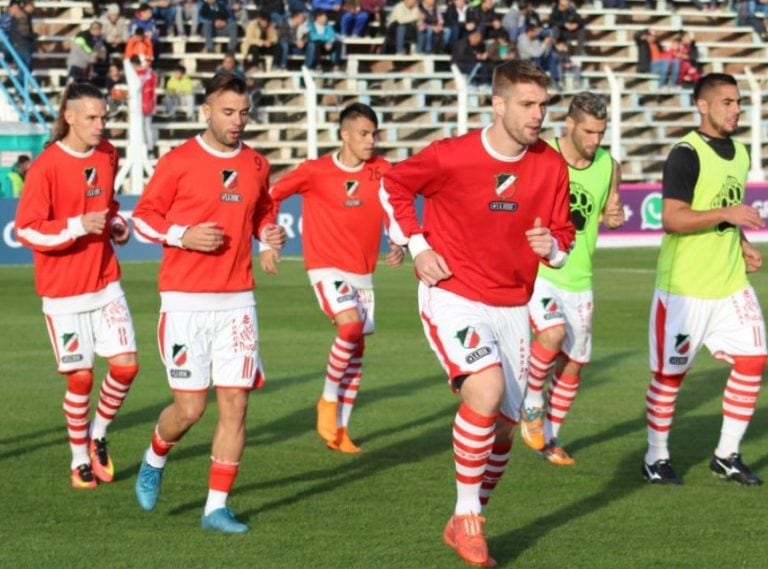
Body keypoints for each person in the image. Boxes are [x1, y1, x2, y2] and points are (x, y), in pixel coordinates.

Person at [379, 60, 575, 568]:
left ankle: (466, 520)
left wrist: (550, 244)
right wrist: (417, 243)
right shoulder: (452, 155)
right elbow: (393, 185)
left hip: (513, 303)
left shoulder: (551, 164)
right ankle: (468, 516)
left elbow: (563, 237)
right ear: (498, 103)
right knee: (484, 390)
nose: (537, 115)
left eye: (543, 105)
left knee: (505, 429)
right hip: (452, 292)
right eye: (527, 105)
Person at [131, 72, 286, 533]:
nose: (237, 120)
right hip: (184, 303)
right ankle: (155, 455)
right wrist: (183, 234)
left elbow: (262, 211)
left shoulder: (257, 164)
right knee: (190, 410)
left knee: (235, 404)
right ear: (206, 110)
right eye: (227, 111)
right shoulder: (178, 161)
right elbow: (143, 219)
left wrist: (267, 236)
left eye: (243, 112)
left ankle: (215, 507)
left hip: (237, 302)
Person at [642, 73, 767, 487]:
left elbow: (726, 211)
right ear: (703, 105)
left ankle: (726, 455)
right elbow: (673, 219)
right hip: (684, 289)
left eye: (738, 102)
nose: (736, 110)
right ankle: (655, 457)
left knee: (753, 360)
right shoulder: (685, 153)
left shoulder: (741, 152)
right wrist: (727, 216)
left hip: (729, 283)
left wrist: (742, 239)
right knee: (671, 377)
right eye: (727, 102)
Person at [14, 82, 139, 490]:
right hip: (63, 293)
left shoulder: (107, 154)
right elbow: (27, 230)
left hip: (105, 282)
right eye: (92, 117)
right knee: (81, 378)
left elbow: (109, 205)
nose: (101, 125)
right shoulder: (45, 166)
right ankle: (77, 459)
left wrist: (117, 225)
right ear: (69, 117)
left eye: (103, 117)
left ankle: (98, 435)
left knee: (127, 366)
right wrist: (75, 226)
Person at [261, 103, 403, 453]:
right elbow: (271, 196)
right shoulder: (314, 171)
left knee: (356, 351)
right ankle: (327, 401)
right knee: (349, 327)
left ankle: (340, 431)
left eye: (374, 134)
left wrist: (397, 239)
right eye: (363, 134)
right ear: (344, 134)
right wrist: (268, 238)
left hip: (363, 273)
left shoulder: (381, 170)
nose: (371, 141)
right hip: (326, 266)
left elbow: (395, 204)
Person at [519, 92, 624, 465]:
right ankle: (531, 405)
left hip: (580, 277)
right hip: (541, 269)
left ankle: (549, 438)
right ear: (569, 123)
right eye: (589, 131)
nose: (595, 140)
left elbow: (607, 211)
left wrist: (613, 217)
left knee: (573, 364)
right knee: (552, 334)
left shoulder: (610, 165)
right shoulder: (541, 155)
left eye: (601, 132)